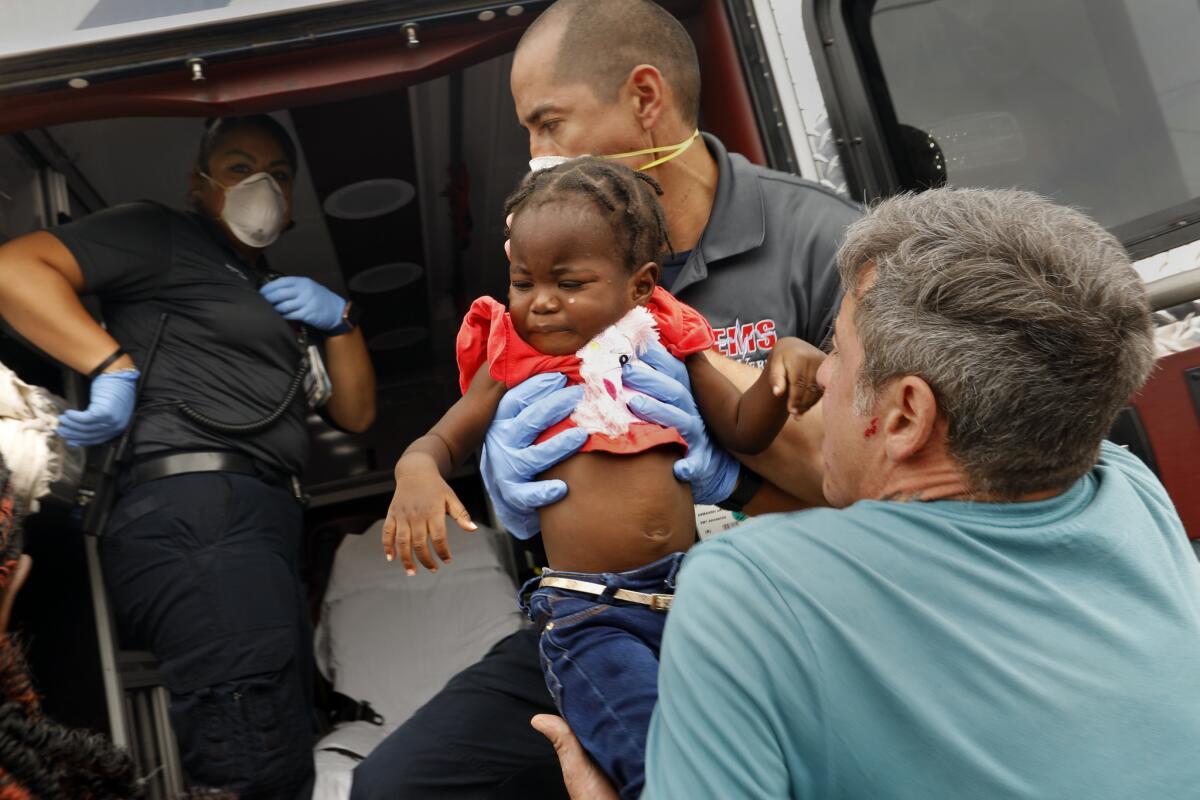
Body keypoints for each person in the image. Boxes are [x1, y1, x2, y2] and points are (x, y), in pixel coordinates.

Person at [533, 188, 1200, 799]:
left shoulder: (747, 591)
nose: (821, 373)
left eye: (840, 350)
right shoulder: (1128, 486)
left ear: (907, 414)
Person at [350, 1, 858, 796]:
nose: (535, 157)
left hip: (785, 602)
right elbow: (504, 440)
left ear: (645, 99)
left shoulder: (824, 245)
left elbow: (895, 500)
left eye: (548, 124)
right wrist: (502, 482)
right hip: (603, 605)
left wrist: (731, 465)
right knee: (399, 787)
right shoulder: (557, 268)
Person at [383, 158, 823, 798]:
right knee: (654, 764)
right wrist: (416, 469)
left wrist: (782, 367)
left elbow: (743, 429)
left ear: (642, 285)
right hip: (591, 615)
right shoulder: (513, 351)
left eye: (569, 282)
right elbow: (444, 438)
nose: (542, 302)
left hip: (697, 595)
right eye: (523, 281)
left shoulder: (666, 336)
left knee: (762, 746)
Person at [0, 114, 377, 797]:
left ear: (292, 199)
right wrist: (108, 363)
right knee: (252, 756)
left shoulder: (275, 296)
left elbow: (355, 412)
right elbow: (15, 269)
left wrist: (340, 320)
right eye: (239, 167)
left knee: (281, 741)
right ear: (199, 184)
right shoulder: (159, 234)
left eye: (279, 175)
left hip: (256, 526)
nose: (261, 185)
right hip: (198, 517)